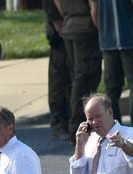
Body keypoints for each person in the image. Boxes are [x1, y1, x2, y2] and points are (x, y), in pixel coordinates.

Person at [90, 0, 133, 147]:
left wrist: (104, 30)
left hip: (108, 40)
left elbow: (94, 10)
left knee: (112, 90)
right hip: (131, 38)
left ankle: (113, 134)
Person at [54, 0, 102, 142]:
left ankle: (78, 126)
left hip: (70, 25)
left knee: (78, 78)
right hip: (86, 28)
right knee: (85, 80)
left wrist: (66, 15)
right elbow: (94, 6)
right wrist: (100, 28)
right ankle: (79, 128)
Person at [42, 0, 73, 141]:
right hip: (60, 29)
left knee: (74, 78)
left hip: (71, 25)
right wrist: (57, 22)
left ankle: (71, 120)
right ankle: (59, 123)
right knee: (59, 80)